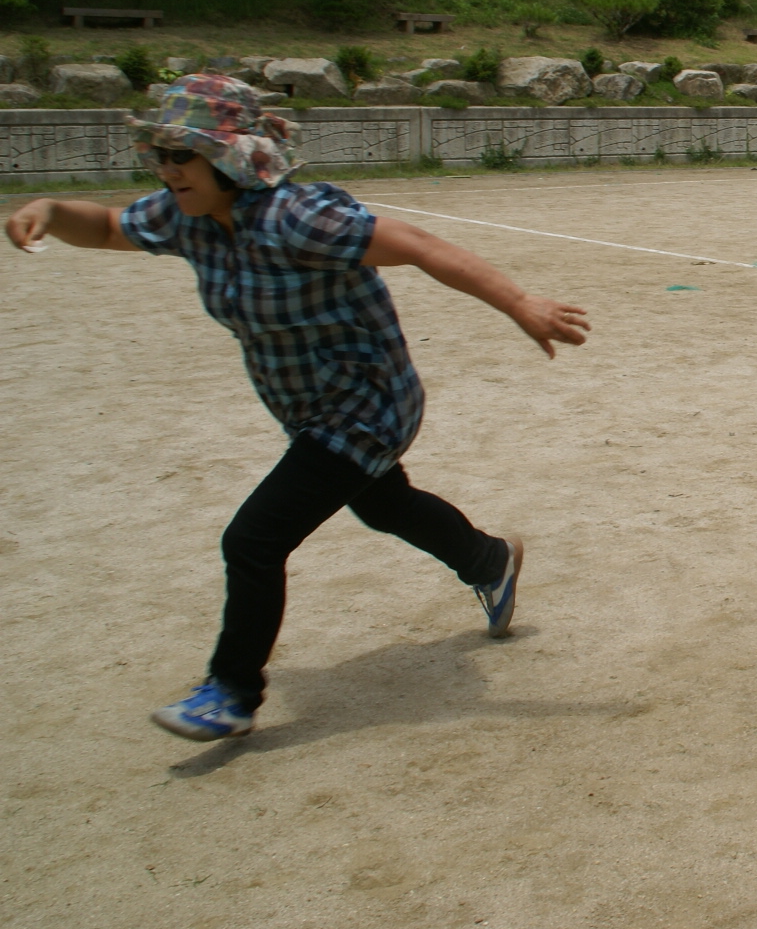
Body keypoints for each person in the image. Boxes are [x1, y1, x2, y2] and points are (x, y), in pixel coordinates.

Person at [5, 75, 590, 742]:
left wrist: (520, 304)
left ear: (228, 159)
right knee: (381, 503)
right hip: (310, 410)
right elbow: (110, 226)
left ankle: (231, 690)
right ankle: (489, 561)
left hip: (367, 403)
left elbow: (421, 247)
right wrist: (49, 209)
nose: (166, 170)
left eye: (181, 155)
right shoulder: (187, 217)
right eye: (160, 156)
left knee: (253, 539)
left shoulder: (299, 218)